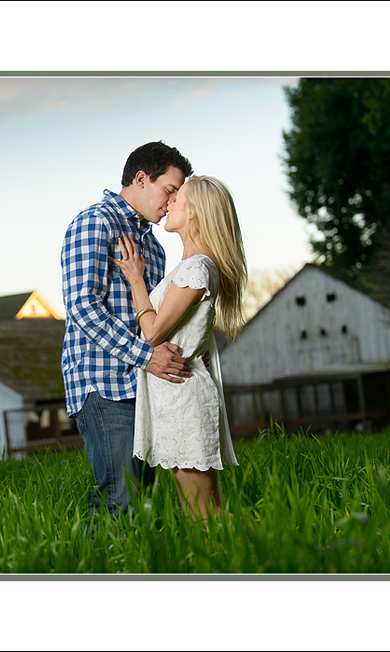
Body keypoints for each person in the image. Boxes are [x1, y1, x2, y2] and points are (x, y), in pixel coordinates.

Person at [61, 141, 194, 519]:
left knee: (142, 500)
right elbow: (82, 308)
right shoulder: (95, 222)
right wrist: (148, 356)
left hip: (143, 385)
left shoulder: (153, 248)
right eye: (169, 189)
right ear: (140, 178)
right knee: (121, 497)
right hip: (103, 384)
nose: (171, 202)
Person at [110, 175, 248, 521]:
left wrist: (136, 280)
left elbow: (154, 333)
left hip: (184, 401)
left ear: (197, 212)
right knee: (200, 512)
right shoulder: (192, 267)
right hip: (176, 399)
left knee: (204, 514)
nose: (169, 202)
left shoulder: (195, 269)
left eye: (178, 197)